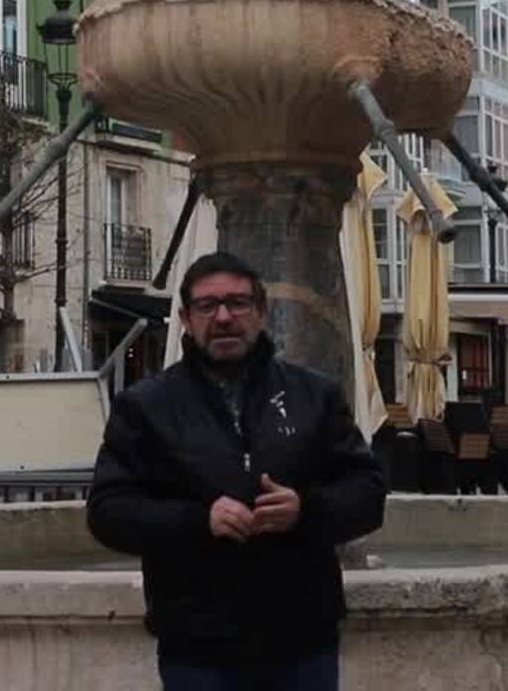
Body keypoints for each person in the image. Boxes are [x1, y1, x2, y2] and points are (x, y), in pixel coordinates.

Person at [87, 250, 387, 690]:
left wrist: (306, 509)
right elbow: (108, 512)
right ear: (187, 319)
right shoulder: (146, 407)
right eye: (207, 306)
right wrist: (198, 520)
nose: (224, 316)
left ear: (261, 312)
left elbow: (368, 492)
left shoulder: (315, 395)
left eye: (238, 303)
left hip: (302, 637)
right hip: (198, 642)